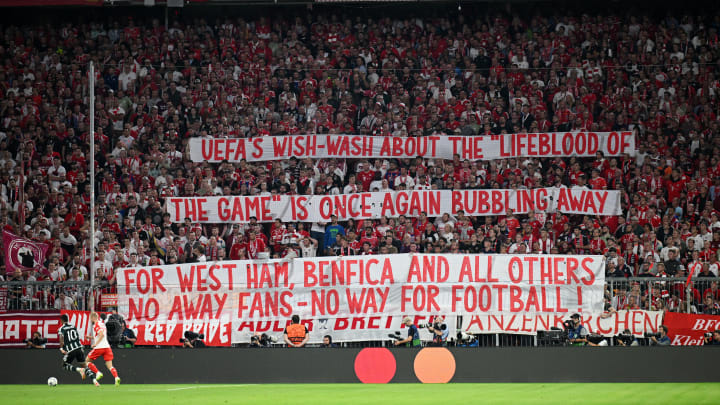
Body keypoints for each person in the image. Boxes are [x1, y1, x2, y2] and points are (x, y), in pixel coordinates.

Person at [86, 312, 121, 386]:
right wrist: (91, 338)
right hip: (107, 347)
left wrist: (95, 344)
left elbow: (101, 335)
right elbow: (100, 335)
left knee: (86, 361)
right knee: (110, 366)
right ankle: (116, 377)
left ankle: (98, 373)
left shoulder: (96, 325)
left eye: (90, 318)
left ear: (92, 318)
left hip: (99, 347)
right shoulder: (102, 324)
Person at [58, 314, 95, 381]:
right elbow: (77, 337)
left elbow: (61, 338)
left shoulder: (61, 329)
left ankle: (79, 370)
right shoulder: (73, 326)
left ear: (61, 321)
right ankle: (94, 380)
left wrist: (61, 348)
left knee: (64, 365)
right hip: (79, 348)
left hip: (71, 350)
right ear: (67, 320)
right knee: (84, 365)